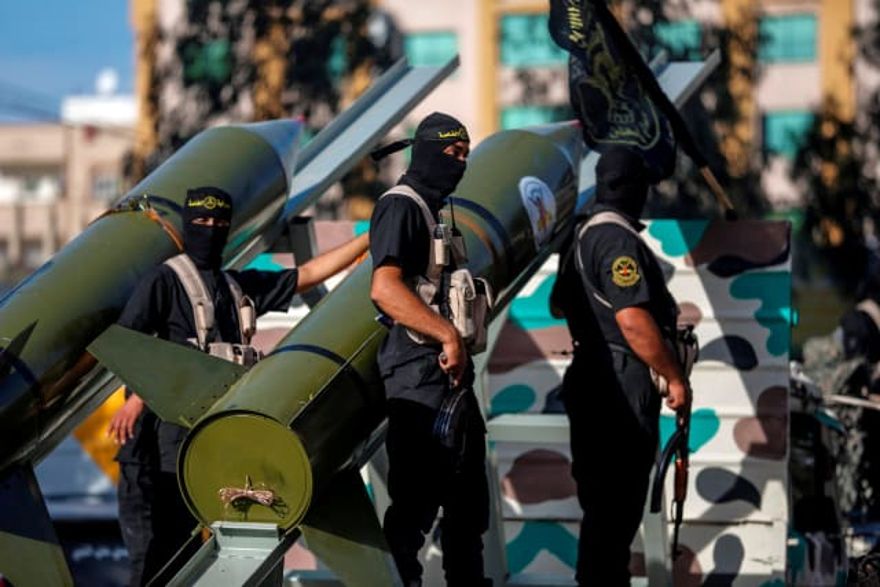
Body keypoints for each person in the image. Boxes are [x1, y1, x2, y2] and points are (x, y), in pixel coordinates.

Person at [107, 186, 369, 586]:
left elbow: (309, 273)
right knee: (159, 560)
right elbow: (129, 347)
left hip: (217, 446)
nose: (210, 229)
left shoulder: (236, 288)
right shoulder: (164, 282)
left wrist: (369, 239)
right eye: (202, 221)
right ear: (187, 224)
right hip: (163, 452)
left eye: (219, 222)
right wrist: (137, 401)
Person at [551, 147, 689, 585]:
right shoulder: (615, 240)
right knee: (615, 511)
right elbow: (632, 320)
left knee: (602, 512)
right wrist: (673, 375)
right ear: (637, 189)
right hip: (618, 385)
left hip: (592, 376)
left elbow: (558, 305)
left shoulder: (580, 234)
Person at [369, 112, 492, 587]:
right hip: (418, 376)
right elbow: (384, 289)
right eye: (451, 153)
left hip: (448, 380)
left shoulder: (434, 210)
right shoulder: (401, 206)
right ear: (425, 152)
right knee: (414, 510)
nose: (459, 162)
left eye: (465, 154)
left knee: (467, 509)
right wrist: (446, 335)